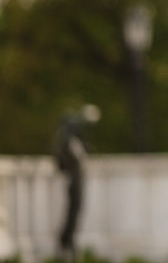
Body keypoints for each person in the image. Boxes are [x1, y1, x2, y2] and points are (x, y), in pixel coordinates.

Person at [52, 103, 100, 261]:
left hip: (78, 181)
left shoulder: (76, 144)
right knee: (72, 213)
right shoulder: (67, 144)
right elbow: (62, 163)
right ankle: (65, 242)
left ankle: (68, 243)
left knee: (76, 213)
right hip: (73, 183)